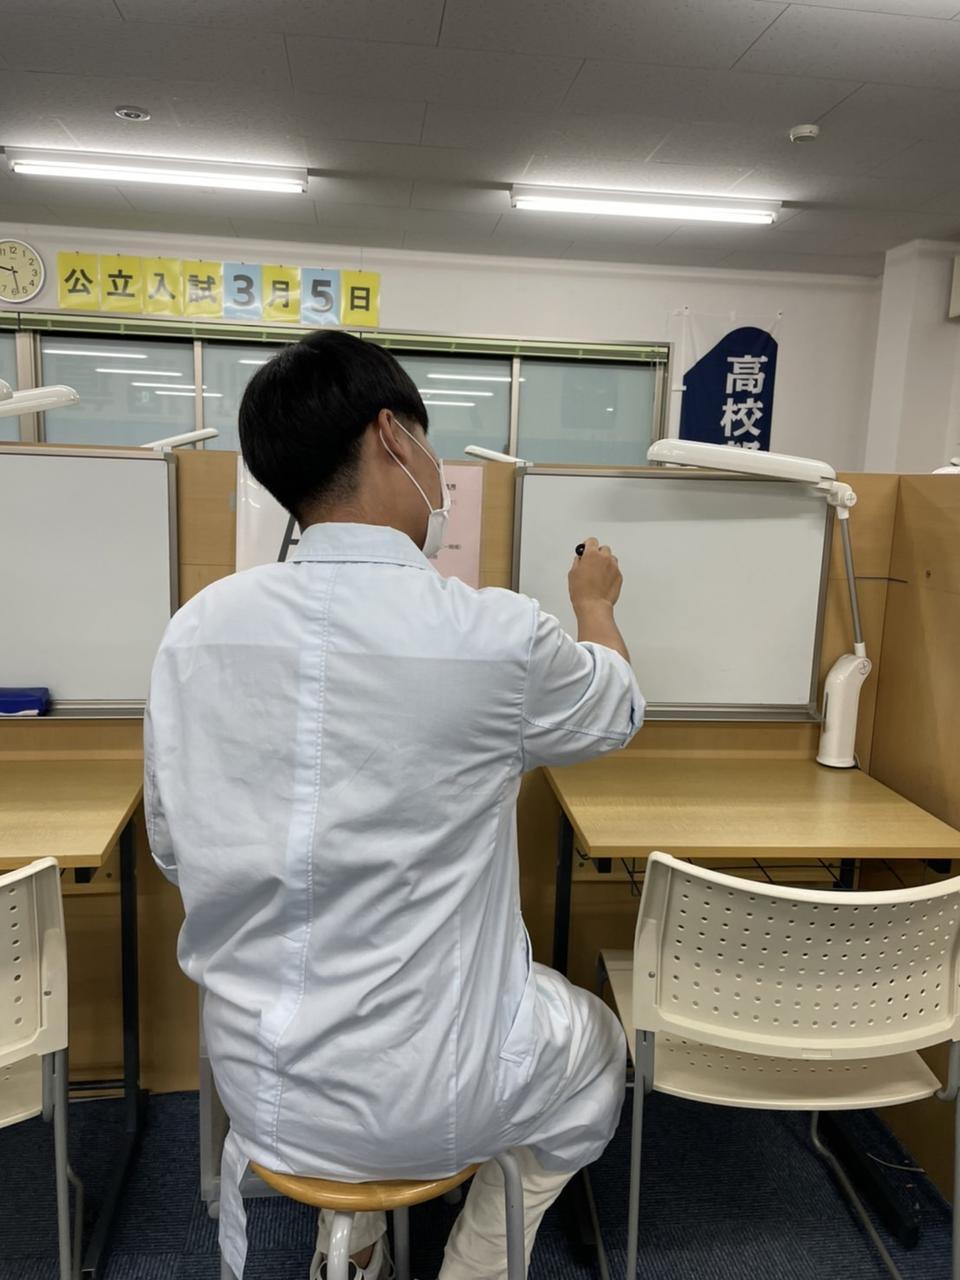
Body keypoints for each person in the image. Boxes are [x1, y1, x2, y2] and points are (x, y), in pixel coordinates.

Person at [144, 331, 643, 1280]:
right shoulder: (493, 635)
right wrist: (596, 604)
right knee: (597, 1052)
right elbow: (613, 710)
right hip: (434, 1097)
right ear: (392, 437)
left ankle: (353, 1243)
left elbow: (175, 848)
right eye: (430, 444)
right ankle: (476, 1262)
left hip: (262, 1088)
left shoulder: (196, 632)